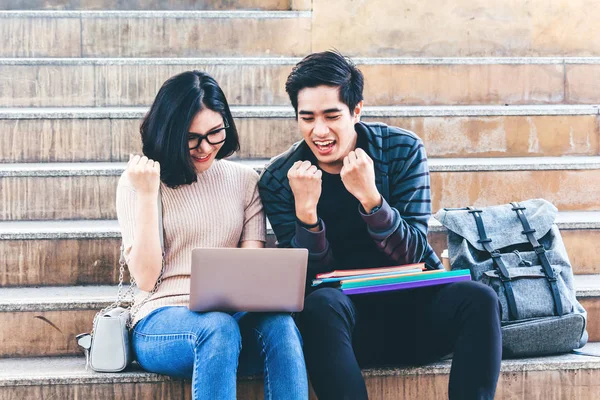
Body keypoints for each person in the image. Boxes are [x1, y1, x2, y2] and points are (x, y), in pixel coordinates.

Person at [258, 51, 502, 400]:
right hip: (341, 331)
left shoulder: (402, 150)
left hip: (416, 313)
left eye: (332, 115)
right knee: (320, 305)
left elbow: (415, 249)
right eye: (307, 118)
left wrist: (371, 199)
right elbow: (306, 279)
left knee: (479, 298)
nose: (319, 131)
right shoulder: (281, 178)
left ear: (356, 110)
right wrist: (307, 215)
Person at [116, 70, 308, 400]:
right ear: (170, 132)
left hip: (229, 321)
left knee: (280, 325)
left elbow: (250, 275)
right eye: (191, 138)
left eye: (215, 133)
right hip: (160, 324)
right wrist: (148, 194)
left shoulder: (244, 181)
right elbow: (146, 279)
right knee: (216, 327)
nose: (205, 148)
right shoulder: (140, 182)